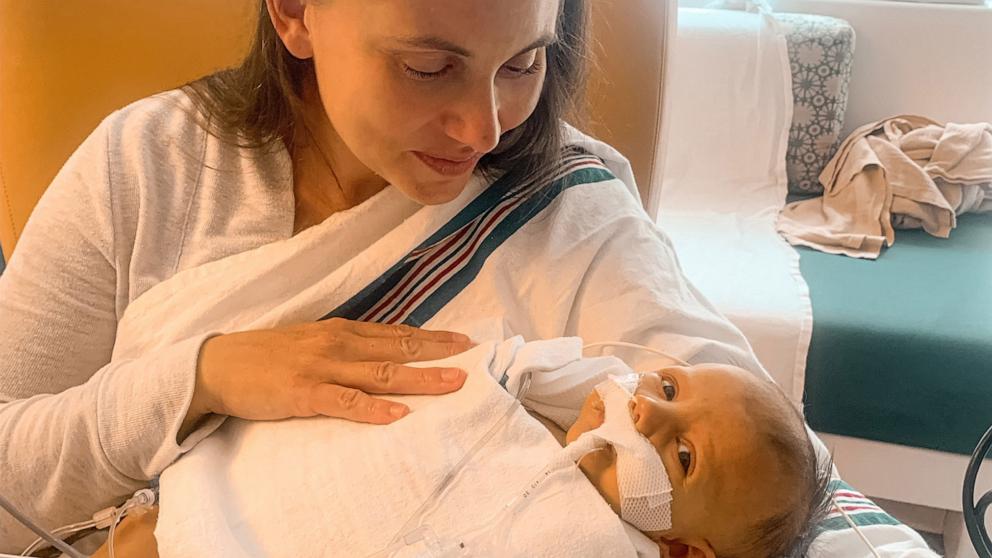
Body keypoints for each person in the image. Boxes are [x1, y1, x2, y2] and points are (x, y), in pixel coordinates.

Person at [0, 0, 933, 556]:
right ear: (294, 12)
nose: (486, 128)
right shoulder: (146, 168)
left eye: (524, 61)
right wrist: (200, 375)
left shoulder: (569, 205)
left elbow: (763, 470)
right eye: (428, 65)